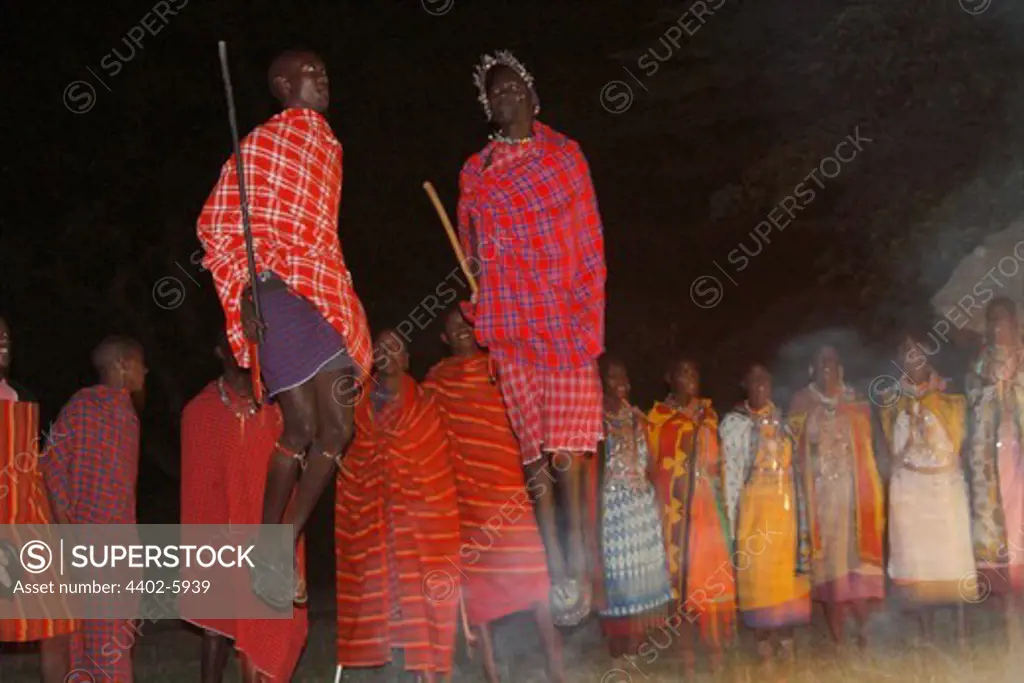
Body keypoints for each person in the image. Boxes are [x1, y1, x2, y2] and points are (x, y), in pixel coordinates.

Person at [197, 48, 372, 605]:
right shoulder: (259, 146)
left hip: (325, 289)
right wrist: (244, 291)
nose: (322, 78)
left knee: (339, 426)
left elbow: (317, 225)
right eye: (309, 72)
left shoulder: (329, 143)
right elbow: (217, 224)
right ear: (281, 83)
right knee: (298, 426)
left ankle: (280, 542)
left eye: (324, 69)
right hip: (274, 291)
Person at [457, 49, 607, 626]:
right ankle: (554, 566)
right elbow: (471, 244)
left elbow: (589, 238)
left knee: (567, 450)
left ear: (533, 94)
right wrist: (477, 277)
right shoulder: (477, 170)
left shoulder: (565, 157)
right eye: (495, 92)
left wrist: (588, 310)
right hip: (510, 321)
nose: (506, 97)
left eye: (514, 86)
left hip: (564, 317)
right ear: (487, 107)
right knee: (534, 455)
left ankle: (576, 557)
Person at [421, 308, 561, 683]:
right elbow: (430, 434)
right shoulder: (437, 381)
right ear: (444, 339)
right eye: (454, 329)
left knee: (534, 581)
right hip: (467, 498)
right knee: (479, 595)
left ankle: (556, 666)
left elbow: (528, 414)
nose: (463, 331)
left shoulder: (500, 367)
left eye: (468, 325)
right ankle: (491, 672)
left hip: (509, 491)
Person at [334, 330, 461, 683]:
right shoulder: (356, 405)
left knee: (419, 602)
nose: (387, 352)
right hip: (373, 522)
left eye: (396, 348)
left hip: (419, 528)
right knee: (384, 607)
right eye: (380, 348)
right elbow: (351, 459)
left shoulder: (425, 404)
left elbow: (437, 465)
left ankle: (427, 674)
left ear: (407, 359)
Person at [179, 334, 307, 682]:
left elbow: (294, 470)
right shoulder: (200, 411)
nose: (241, 351)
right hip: (219, 531)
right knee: (215, 622)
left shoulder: (278, 406)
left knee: (267, 618)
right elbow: (197, 490)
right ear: (219, 351)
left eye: (246, 344)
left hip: (267, 527)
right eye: (232, 345)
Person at [39, 336, 146, 683]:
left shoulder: (126, 411)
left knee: (112, 633)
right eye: (139, 362)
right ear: (121, 365)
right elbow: (51, 465)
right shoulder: (84, 407)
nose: (145, 371)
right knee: (97, 637)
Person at [877, 331, 974, 647]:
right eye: (906, 353)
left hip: (944, 487)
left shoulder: (949, 396)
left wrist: (928, 402)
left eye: (918, 352)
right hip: (910, 489)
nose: (913, 359)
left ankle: (961, 632)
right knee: (918, 561)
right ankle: (926, 631)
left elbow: (960, 442)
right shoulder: (891, 400)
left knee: (952, 556)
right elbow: (888, 448)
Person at [788, 345, 884, 650]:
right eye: (820, 362)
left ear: (840, 367)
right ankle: (838, 637)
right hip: (821, 497)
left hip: (854, 493)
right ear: (811, 369)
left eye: (832, 361)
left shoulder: (854, 400)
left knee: (857, 563)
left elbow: (868, 443)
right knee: (830, 566)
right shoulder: (801, 402)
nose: (827, 367)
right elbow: (791, 449)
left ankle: (865, 630)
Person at [646, 358, 735, 674]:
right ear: (668, 378)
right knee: (680, 580)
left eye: (694, 371)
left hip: (707, 508)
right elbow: (654, 467)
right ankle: (686, 658)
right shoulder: (657, 419)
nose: (691, 377)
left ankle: (715, 655)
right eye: (683, 372)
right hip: (675, 512)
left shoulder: (708, 414)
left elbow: (719, 462)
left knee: (709, 580)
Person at [0, 316, 75, 683]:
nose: (2, 341)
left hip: (30, 528)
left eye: (6, 336)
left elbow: (35, 468)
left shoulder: (23, 397)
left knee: (55, 626)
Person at [721, 363, 811, 665]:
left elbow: (797, 469)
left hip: (784, 513)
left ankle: (787, 641)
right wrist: (733, 525)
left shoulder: (784, 422)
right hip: (753, 513)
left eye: (766, 379)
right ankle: (763, 647)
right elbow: (731, 476)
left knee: (785, 577)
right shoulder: (734, 424)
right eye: (754, 379)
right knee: (757, 578)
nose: (761, 384)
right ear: (744, 384)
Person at [596, 356, 672, 658]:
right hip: (613, 509)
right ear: (600, 381)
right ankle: (619, 642)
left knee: (643, 571)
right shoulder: (595, 421)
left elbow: (651, 465)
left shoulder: (637, 419)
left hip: (641, 506)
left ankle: (638, 640)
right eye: (614, 377)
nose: (622, 384)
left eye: (624, 378)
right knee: (619, 573)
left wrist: (656, 503)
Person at [965, 297, 1024, 620]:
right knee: (998, 531)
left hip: (1019, 456)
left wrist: (1015, 388)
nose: (998, 327)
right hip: (990, 458)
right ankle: (1008, 618)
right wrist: (991, 391)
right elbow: (972, 402)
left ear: (1016, 324)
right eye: (993, 321)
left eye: (1004, 320)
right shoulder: (978, 365)